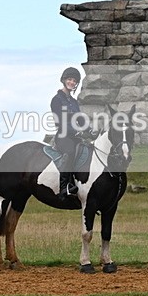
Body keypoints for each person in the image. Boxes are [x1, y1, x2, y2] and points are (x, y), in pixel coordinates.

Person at [50, 67, 86, 199]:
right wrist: (75, 132)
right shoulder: (56, 100)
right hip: (63, 137)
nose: (72, 82)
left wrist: (90, 129)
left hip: (75, 136)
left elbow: (80, 119)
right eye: (70, 79)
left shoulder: (74, 102)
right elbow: (60, 122)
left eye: (74, 81)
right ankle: (64, 187)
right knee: (70, 151)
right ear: (64, 80)